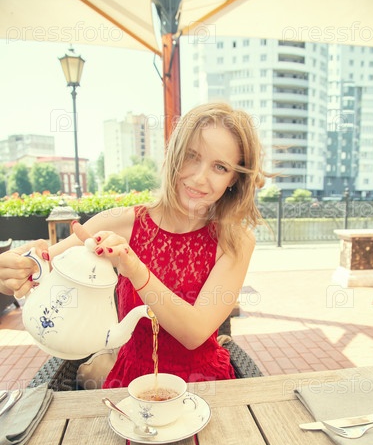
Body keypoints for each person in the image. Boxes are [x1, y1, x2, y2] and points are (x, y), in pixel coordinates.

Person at [0, 102, 265, 386]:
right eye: (192, 156)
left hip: (204, 385)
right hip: (129, 384)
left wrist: (135, 269)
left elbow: (194, 333)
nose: (200, 178)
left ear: (234, 179)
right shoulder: (120, 221)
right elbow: (38, 269)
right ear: (174, 154)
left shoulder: (236, 241)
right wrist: (14, 273)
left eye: (220, 167)